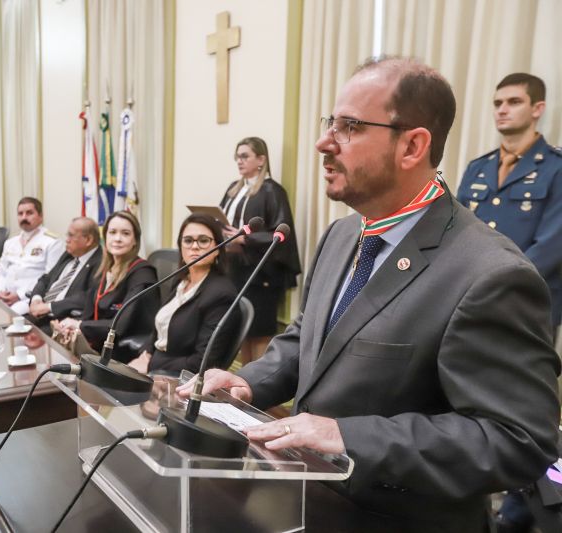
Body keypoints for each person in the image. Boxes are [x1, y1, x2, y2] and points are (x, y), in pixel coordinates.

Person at [179, 56, 560, 532]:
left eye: (350, 127)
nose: (323, 142)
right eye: (329, 124)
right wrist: (250, 382)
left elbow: (516, 441)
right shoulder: (341, 236)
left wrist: (347, 435)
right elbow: (308, 339)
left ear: (412, 146)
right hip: (305, 502)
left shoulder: (490, 273)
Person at [457, 73, 562, 335]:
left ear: (538, 109)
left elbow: (551, 246)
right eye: (497, 103)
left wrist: (495, 284)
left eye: (514, 102)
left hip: (527, 302)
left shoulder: (556, 168)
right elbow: (455, 230)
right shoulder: (478, 167)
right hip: (470, 299)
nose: (502, 110)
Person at [219, 137, 301, 364]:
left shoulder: (272, 191)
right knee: (242, 331)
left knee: (259, 332)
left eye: (245, 156)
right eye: (237, 156)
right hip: (234, 270)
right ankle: (242, 384)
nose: (239, 161)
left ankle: (256, 390)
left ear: (261, 159)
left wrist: (246, 239)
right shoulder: (234, 189)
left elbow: (281, 233)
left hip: (261, 273)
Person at [126, 213, 240, 375]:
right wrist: (145, 354)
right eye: (188, 241)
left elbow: (202, 362)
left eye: (203, 240)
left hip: (177, 381)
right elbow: (159, 330)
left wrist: (151, 364)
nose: (194, 246)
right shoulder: (182, 280)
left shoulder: (221, 295)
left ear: (218, 250)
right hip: (154, 368)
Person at [54, 211, 159, 363]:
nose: (117, 238)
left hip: (123, 355)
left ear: (135, 240)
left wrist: (80, 325)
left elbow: (120, 326)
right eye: (112, 232)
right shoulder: (106, 269)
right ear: (105, 237)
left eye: (125, 233)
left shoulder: (143, 274)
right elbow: (89, 311)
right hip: (96, 348)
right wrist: (70, 326)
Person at [27, 217, 102, 331]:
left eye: (71, 236)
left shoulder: (101, 262)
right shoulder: (69, 254)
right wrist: (36, 299)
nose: (66, 240)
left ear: (88, 240)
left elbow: (87, 298)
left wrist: (49, 307)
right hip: (39, 316)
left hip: (61, 324)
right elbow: (46, 279)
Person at [0, 197, 62, 315]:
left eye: (29, 213)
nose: (24, 217)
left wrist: (19, 295)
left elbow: (50, 277)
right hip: (3, 294)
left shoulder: (52, 242)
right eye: (20, 213)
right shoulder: (11, 242)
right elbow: (0, 271)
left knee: (9, 316)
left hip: (28, 298)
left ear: (41, 216)